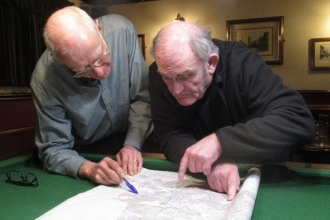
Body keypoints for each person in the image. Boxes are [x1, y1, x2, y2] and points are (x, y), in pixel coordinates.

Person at [148, 21, 316, 200]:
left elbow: (298, 119)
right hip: (206, 182)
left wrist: (219, 143)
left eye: (185, 76)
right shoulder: (160, 70)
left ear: (211, 63)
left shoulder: (242, 63)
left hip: (265, 179)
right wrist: (212, 163)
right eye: (167, 78)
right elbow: (169, 134)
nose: (175, 90)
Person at [30, 6, 153, 185]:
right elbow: (54, 149)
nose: (100, 72)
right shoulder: (44, 80)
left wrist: (133, 143)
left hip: (135, 135)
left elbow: (142, 97)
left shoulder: (122, 31)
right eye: (83, 70)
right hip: (88, 152)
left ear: (98, 28)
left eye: (100, 57)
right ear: (58, 58)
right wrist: (89, 168)